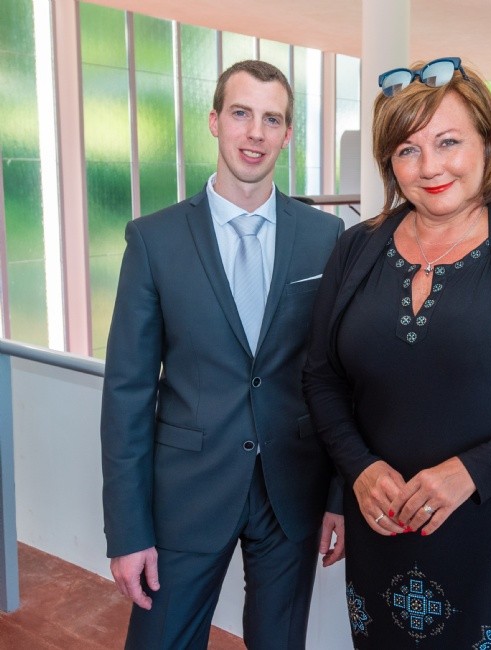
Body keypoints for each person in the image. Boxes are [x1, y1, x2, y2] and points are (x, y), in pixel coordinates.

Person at [303, 57, 491, 648]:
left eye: (448, 142)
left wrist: (468, 473)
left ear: (486, 144)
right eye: (408, 150)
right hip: (383, 526)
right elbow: (322, 378)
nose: (430, 167)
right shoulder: (355, 251)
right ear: (389, 162)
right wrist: (359, 470)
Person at [101, 59, 345, 649]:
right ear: (214, 121)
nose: (255, 133)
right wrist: (128, 531)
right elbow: (128, 393)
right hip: (187, 494)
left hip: (291, 493)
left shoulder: (325, 237)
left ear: (288, 134)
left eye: (272, 119)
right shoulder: (153, 239)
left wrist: (339, 496)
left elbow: (336, 376)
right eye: (241, 114)